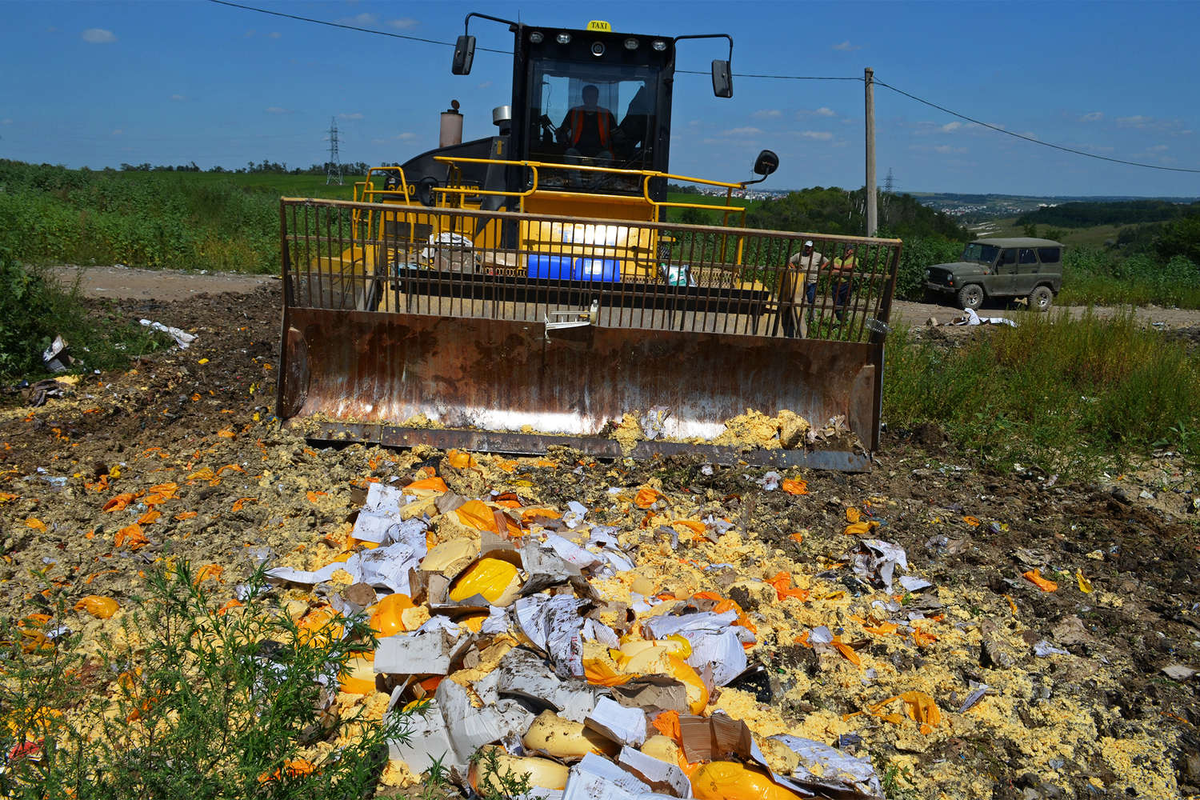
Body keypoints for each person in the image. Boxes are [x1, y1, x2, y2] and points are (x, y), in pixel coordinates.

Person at [779, 240, 827, 337]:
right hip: (801, 281)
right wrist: (795, 268)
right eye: (806, 247)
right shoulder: (799, 255)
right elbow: (789, 260)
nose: (807, 249)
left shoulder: (818, 256)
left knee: (811, 300)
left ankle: (811, 318)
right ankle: (793, 318)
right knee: (798, 299)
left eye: (809, 247)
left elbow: (827, 261)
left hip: (813, 281)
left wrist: (820, 269)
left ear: (812, 248)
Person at [559, 84, 617, 161]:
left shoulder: (606, 114)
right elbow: (563, 131)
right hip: (577, 152)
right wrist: (561, 135)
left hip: (600, 152)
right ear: (583, 97)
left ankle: (597, 173)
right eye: (587, 96)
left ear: (597, 98)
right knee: (569, 153)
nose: (590, 99)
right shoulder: (573, 112)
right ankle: (574, 173)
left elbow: (616, 135)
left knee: (608, 155)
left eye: (593, 96)